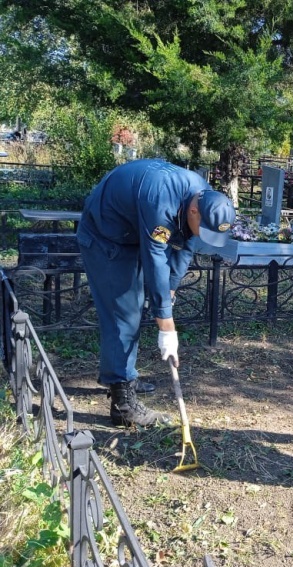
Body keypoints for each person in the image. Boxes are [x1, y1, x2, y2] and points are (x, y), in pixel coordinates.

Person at [77, 159, 236, 427]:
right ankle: (123, 405)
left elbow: (186, 244)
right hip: (106, 236)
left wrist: (171, 287)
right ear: (194, 211)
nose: (205, 236)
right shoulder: (161, 201)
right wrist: (166, 325)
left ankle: (122, 376)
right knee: (123, 314)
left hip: (131, 231)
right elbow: (155, 259)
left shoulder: (203, 196)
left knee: (133, 309)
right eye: (205, 230)